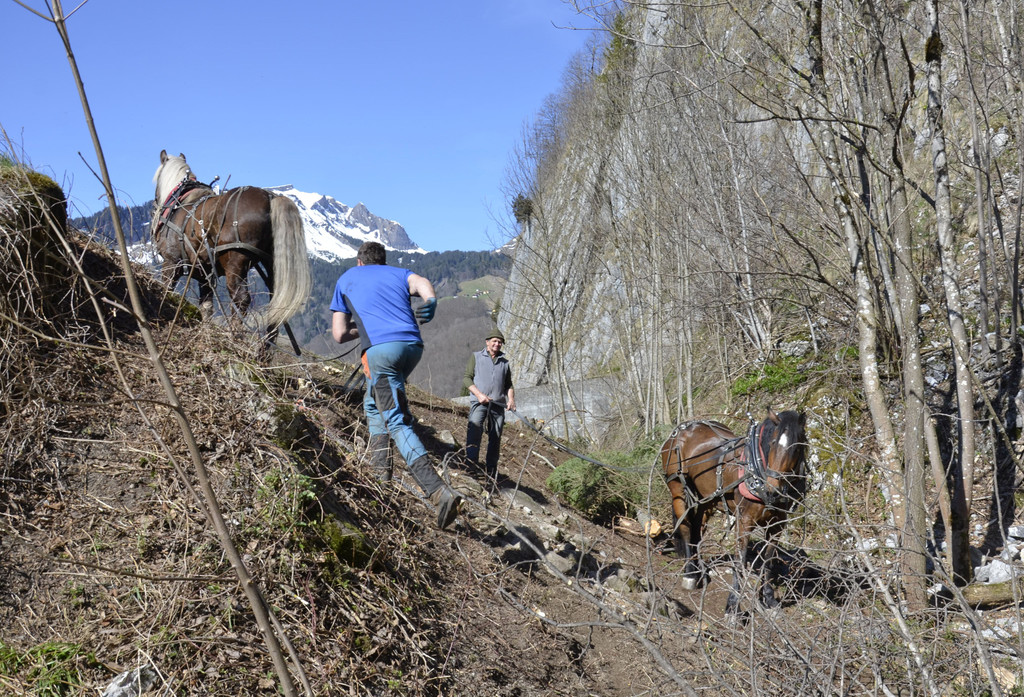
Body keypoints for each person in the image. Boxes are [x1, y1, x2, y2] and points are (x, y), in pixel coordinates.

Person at [330, 241, 461, 530]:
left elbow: (339, 334)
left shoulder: (347, 278)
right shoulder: (399, 273)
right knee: (373, 405)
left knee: (396, 420)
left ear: (360, 261)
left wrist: (366, 327)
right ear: (383, 260)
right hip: (412, 346)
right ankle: (381, 481)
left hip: (381, 353)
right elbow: (422, 283)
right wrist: (430, 301)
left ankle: (438, 491)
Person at [463, 328, 516, 484]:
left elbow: (509, 384)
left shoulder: (505, 363)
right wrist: (479, 395)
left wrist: (511, 399)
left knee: (495, 437)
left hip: (498, 405)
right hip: (479, 402)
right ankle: (471, 466)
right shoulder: (476, 357)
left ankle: (491, 472)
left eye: (500, 342)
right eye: (494, 341)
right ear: (487, 342)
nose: (497, 344)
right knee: (474, 429)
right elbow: (467, 378)